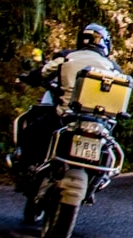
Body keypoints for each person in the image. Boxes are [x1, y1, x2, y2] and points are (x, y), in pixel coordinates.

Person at [11, 23, 119, 174]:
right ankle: (94, 182)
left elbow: (43, 72)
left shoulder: (67, 57)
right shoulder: (113, 68)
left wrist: (29, 77)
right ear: (105, 44)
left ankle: (26, 166)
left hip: (66, 115)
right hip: (99, 122)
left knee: (31, 131)